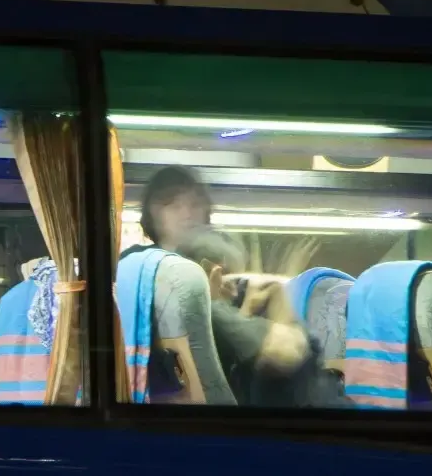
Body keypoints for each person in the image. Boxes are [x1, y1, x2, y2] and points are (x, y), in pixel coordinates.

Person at [128, 166, 341, 407]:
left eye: (195, 204)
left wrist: (245, 309)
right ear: (153, 214)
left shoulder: (221, 285)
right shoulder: (165, 282)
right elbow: (286, 352)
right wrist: (279, 302)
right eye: (173, 205)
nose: (187, 213)